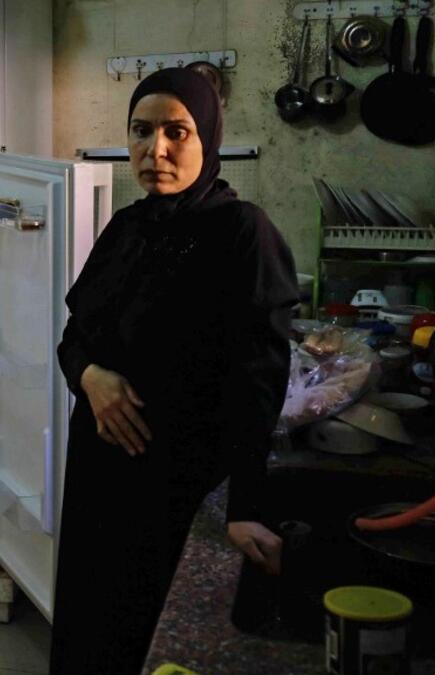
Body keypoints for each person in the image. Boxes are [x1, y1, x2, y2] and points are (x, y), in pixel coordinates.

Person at [48, 68, 299, 674]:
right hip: (99, 477)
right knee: (91, 629)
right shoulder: (128, 228)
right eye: (140, 132)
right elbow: (72, 338)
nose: (154, 151)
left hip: (178, 483)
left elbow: (259, 378)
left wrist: (247, 506)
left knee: (154, 637)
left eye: (176, 132)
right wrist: (92, 379)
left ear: (207, 139)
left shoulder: (244, 234)